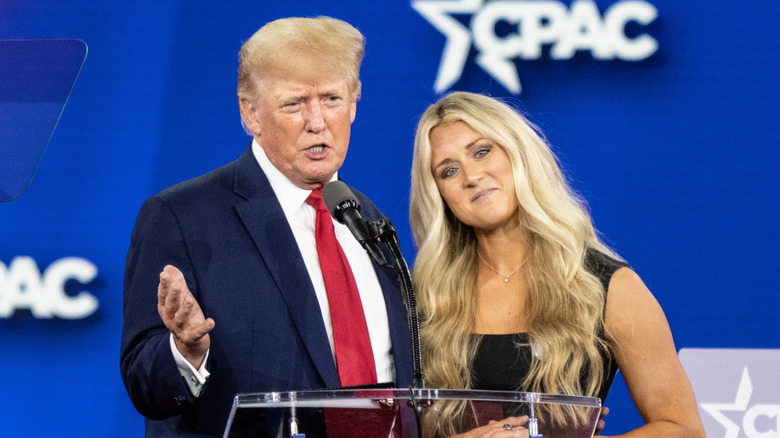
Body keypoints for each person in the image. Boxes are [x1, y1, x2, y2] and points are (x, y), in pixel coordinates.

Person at [120, 16, 413, 437]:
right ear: (251, 113)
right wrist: (185, 352)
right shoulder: (183, 216)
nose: (317, 121)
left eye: (331, 99)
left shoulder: (368, 220)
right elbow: (143, 383)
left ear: (354, 104)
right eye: (294, 104)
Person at [408, 92, 705, 437]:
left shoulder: (606, 286)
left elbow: (684, 429)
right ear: (439, 194)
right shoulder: (418, 297)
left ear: (519, 152)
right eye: (449, 171)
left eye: (482, 151)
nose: (471, 176)